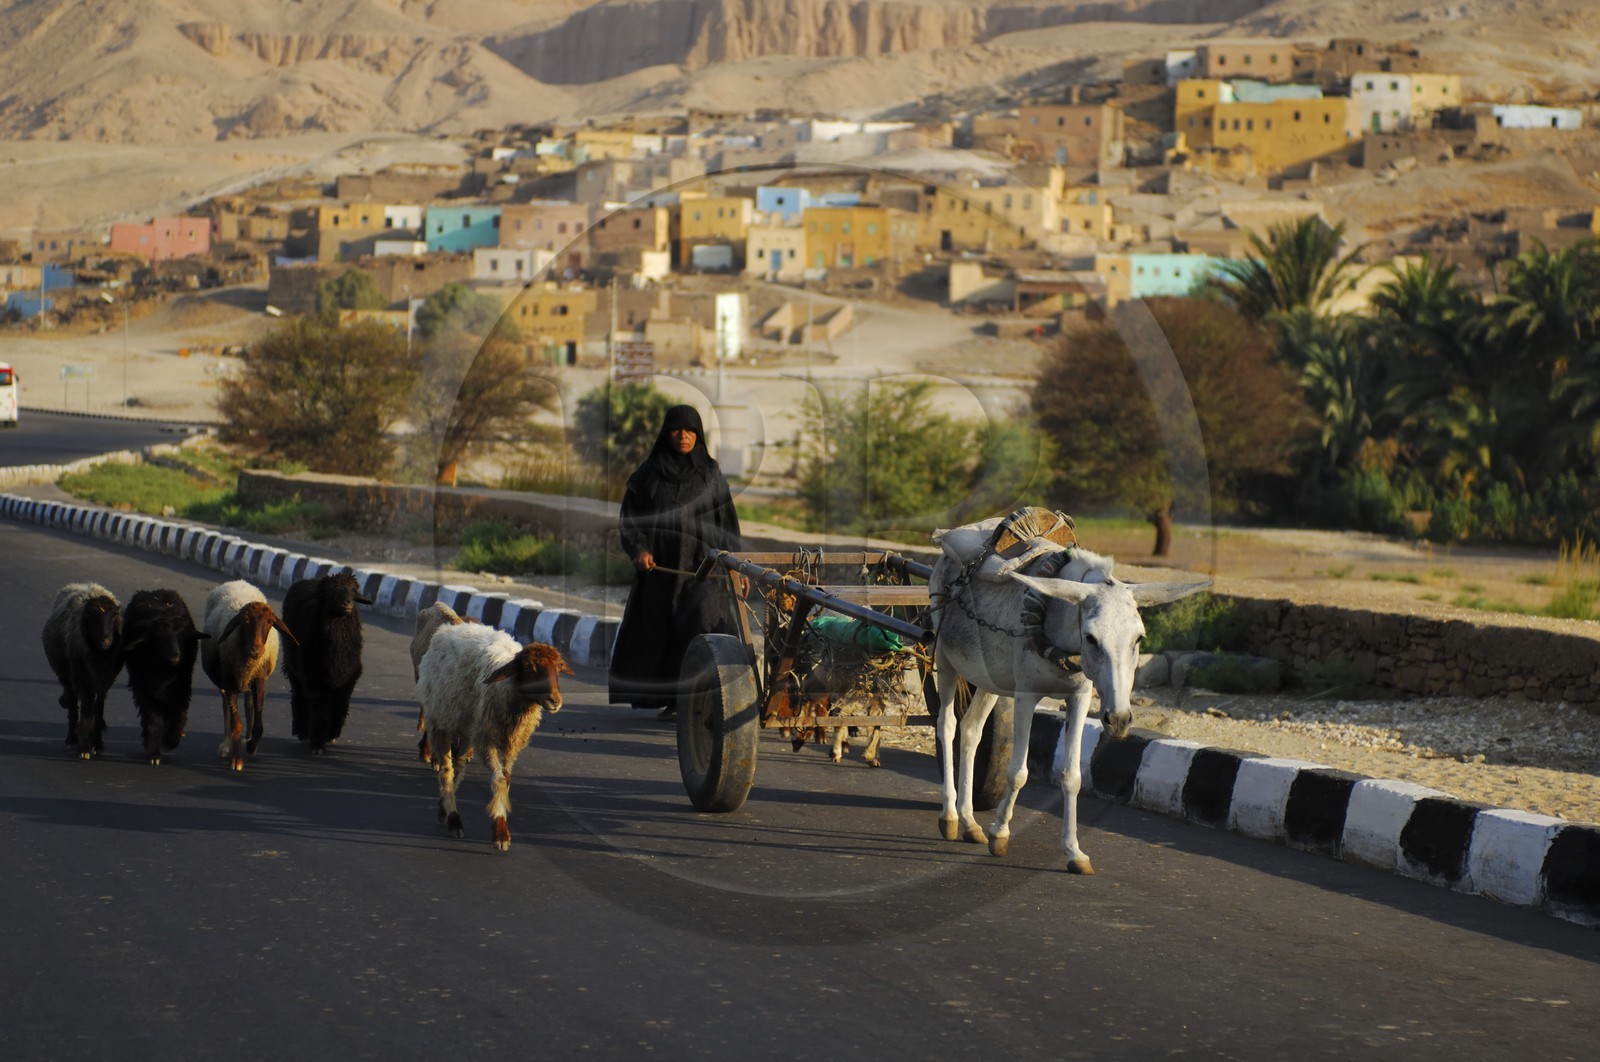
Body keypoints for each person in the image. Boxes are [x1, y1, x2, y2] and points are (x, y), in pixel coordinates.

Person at [609, 404, 742, 719]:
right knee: (662, 632)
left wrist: (735, 566)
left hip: (703, 571)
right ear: (666, 434)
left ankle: (707, 701)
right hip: (660, 571)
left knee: (703, 628)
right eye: (676, 430)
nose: (683, 436)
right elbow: (631, 519)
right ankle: (676, 700)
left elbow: (727, 525)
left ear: (698, 435)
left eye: (690, 431)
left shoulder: (711, 475)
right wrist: (639, 550)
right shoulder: (649, 473)